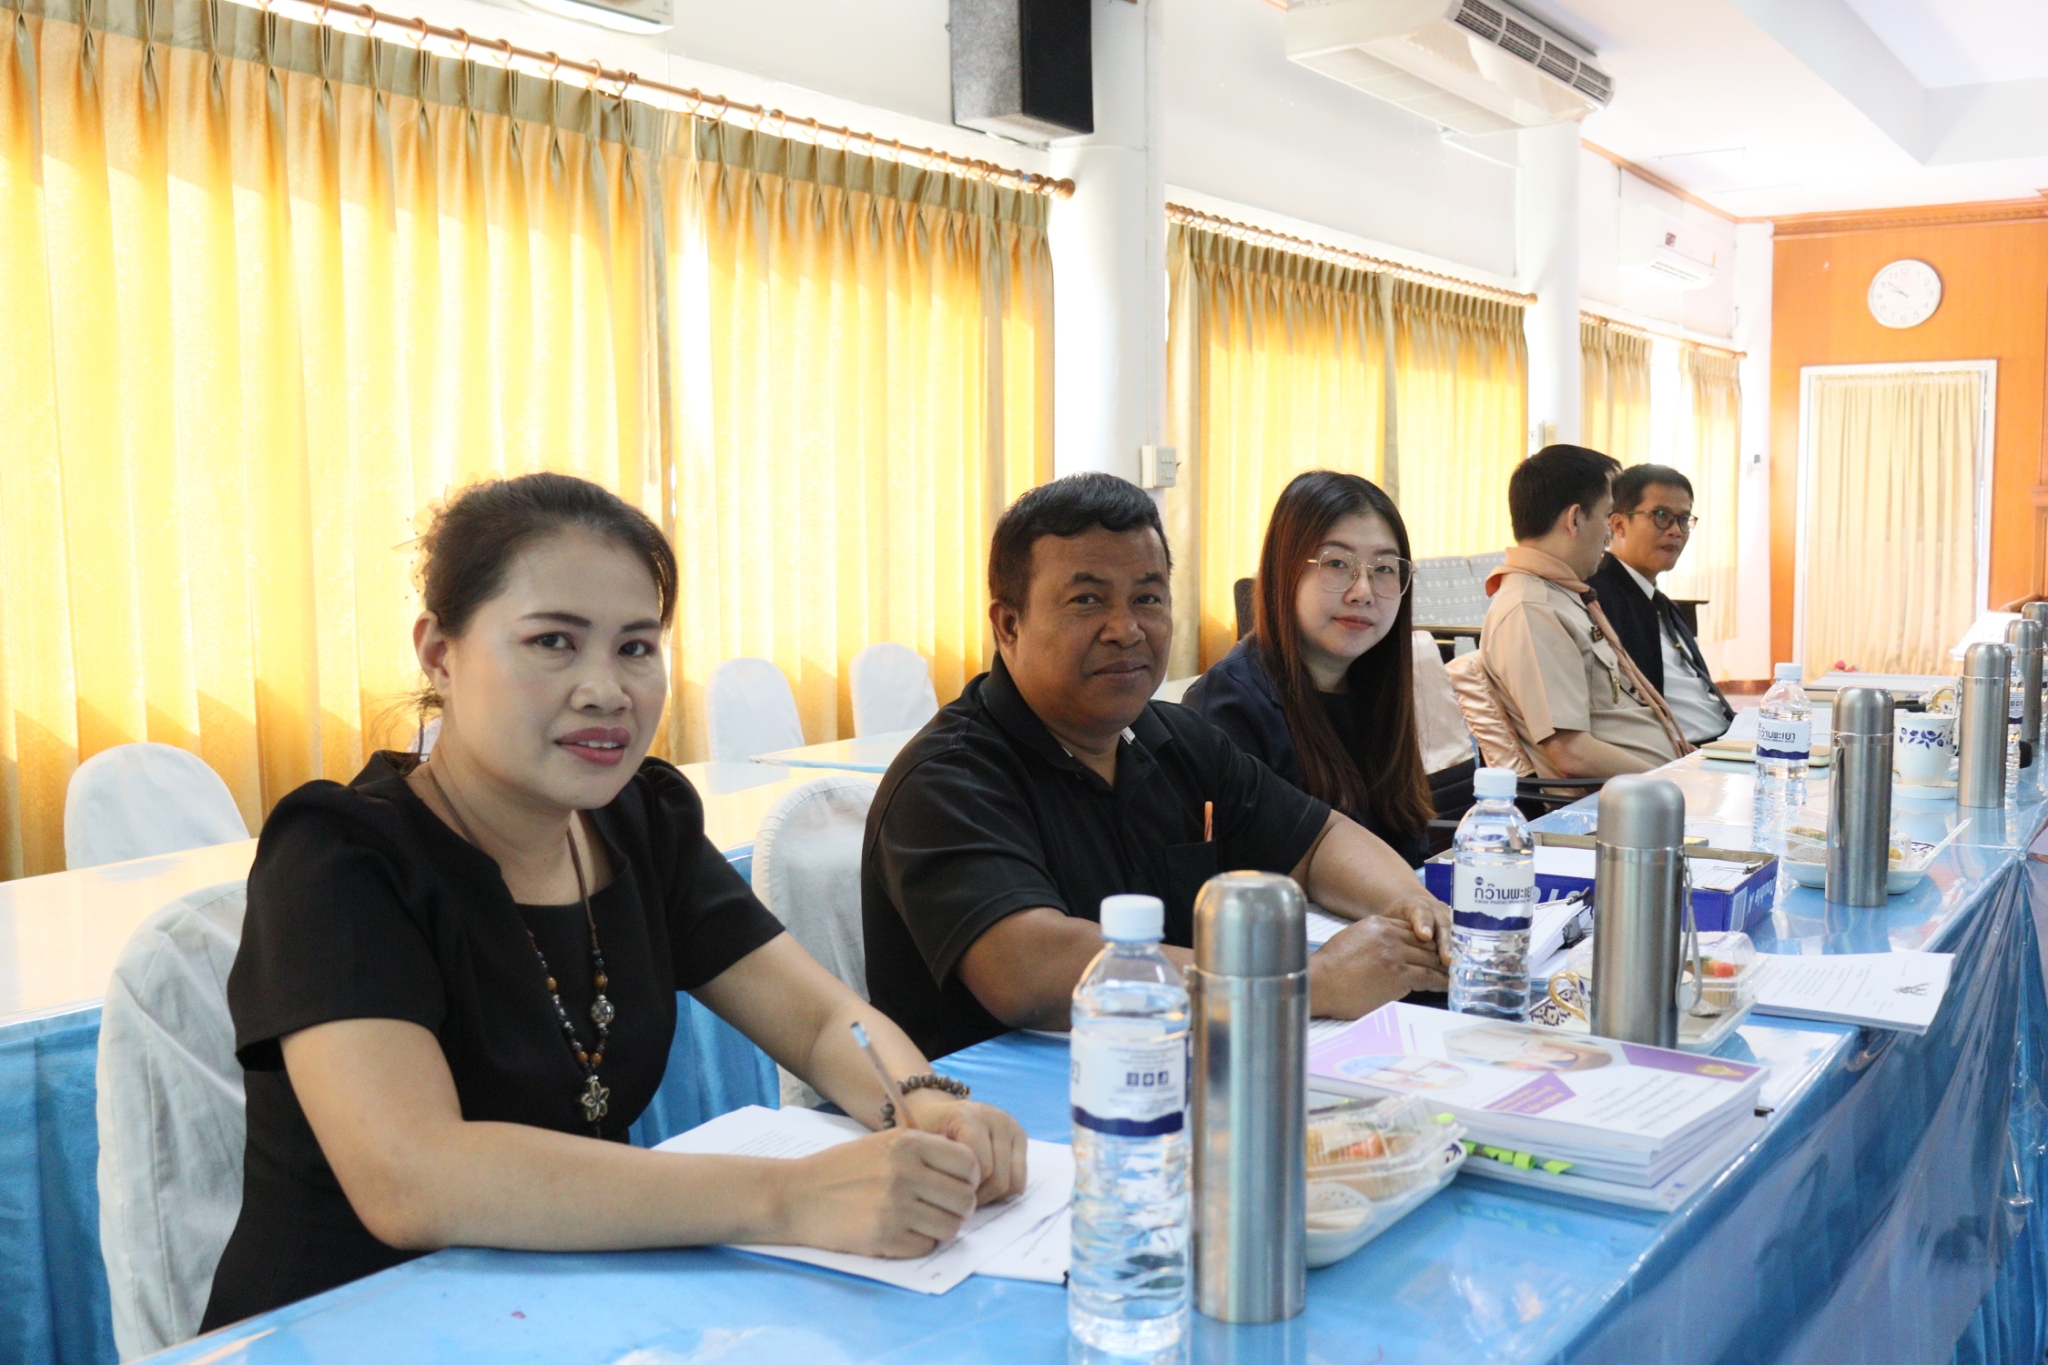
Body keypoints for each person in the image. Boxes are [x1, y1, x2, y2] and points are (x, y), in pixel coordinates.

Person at [203, 473, 1027, 1328]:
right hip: (357, 1325)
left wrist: (926, 1101)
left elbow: (822, 1023)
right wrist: (790, 1196)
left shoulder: (641, 821)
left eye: (636, 647)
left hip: (575, 1305)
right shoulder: (340, 857)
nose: (606, 689)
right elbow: (413, 1177)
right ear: (439, 652)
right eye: (553, 641)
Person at [862, 472, 1453, 1061]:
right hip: (1006, 1105)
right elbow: (1029, 969)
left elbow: (1318, 839)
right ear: (1008, 624)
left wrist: (1414, 908)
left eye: (1147, 599)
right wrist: (1305, 985)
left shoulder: (1171, 738)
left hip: (1173, 1072)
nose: (1126, 630)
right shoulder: (948, 778)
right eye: (1087, 600)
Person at [1184, 471, 1434, 867]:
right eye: (1337, 563)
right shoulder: (1228, 704)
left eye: (1385, 568)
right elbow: (1252, 873)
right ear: (1283, 571)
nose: (1363, 592)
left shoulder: (1377, 688)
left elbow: (1411, 848)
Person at [1478, 445, 1690, 780]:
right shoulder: (1532, 609)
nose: (1610, 532)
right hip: (1615, 802)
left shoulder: (1563, 595)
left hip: (1649, 786)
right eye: (1607, 516)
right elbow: (1570, 753)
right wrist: (1676, 782)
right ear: (1575, 519)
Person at [1588, 464, 1736, 745]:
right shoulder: (1598, 597)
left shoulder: (1659, 601)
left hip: (1722, 740)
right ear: (1618, 525)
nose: (1676, 531)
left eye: (1683, 519)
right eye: (1661, 517)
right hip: (1680, 754)